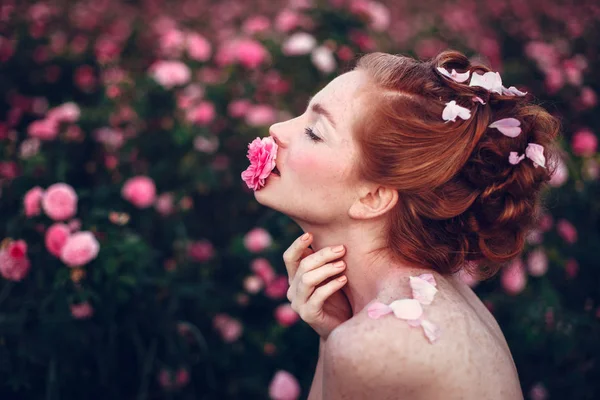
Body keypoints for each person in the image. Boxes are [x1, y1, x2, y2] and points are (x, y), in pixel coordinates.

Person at [252, 50, 560, 399]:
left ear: (373, 197)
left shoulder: (375, 345)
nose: (277, 130)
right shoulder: (424, 307)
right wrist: (332, 333)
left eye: (314, 132)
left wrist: (342, 341)